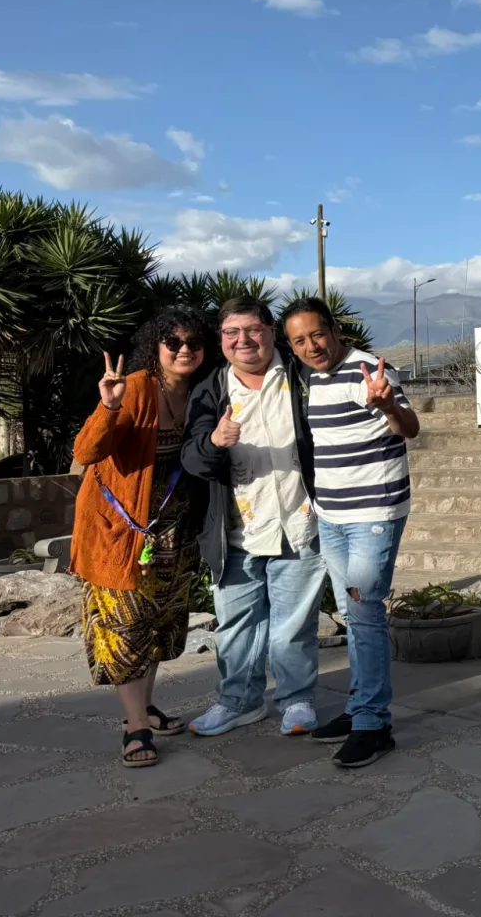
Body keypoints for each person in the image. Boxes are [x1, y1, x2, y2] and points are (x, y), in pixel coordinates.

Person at [70, 306, 214, 768]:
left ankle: (146, 710)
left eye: (193, 342)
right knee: (125, 627)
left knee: (157, 627)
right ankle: (134, 728)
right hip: (121, 533)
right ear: (156, 347)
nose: (184, 350)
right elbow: (87, 451)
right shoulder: (133, 388)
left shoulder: (199, 394)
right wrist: (109, 407)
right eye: (173, 342)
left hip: (173, 535)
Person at [282, 297, 418, 768]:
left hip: (374, 513)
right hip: (333, 515)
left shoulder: (368, 373)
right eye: (298, 340)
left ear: (335, 330)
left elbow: (409, 427)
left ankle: (373, 724)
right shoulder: (311, 379)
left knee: (364, 611)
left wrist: (387, 406)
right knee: (350, 610)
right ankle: (361, 707)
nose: (310, 346)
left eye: (317, 334)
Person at [181, 296, 325, 738]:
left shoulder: (303, 378)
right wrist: (215, 442)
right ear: (222, 340)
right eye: (231, 332)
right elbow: (192, 459)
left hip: (300, 526)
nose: (243, 340)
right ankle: (238, 702)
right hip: (236, 533)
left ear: (270, 332)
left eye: (253, 329)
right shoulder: (211, 389)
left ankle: (296, 699)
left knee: (292, 628)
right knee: (235, 628)